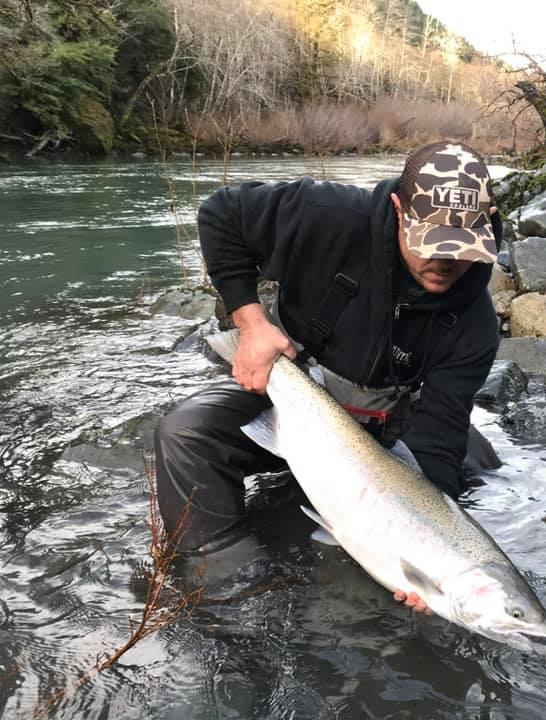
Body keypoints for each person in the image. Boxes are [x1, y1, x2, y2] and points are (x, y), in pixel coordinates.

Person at [154, 141, 503, 613]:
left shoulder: (476, 322)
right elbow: (221, 214)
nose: (444, 262)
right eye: (430, 241)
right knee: (183, 433)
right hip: (287, 393)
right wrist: (251, 324)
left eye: (460, 247)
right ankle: (229, 590)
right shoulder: (328, 215)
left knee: (477, 462)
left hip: (384, 426)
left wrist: (430, 556)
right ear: (399, 209)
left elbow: (438, 438)